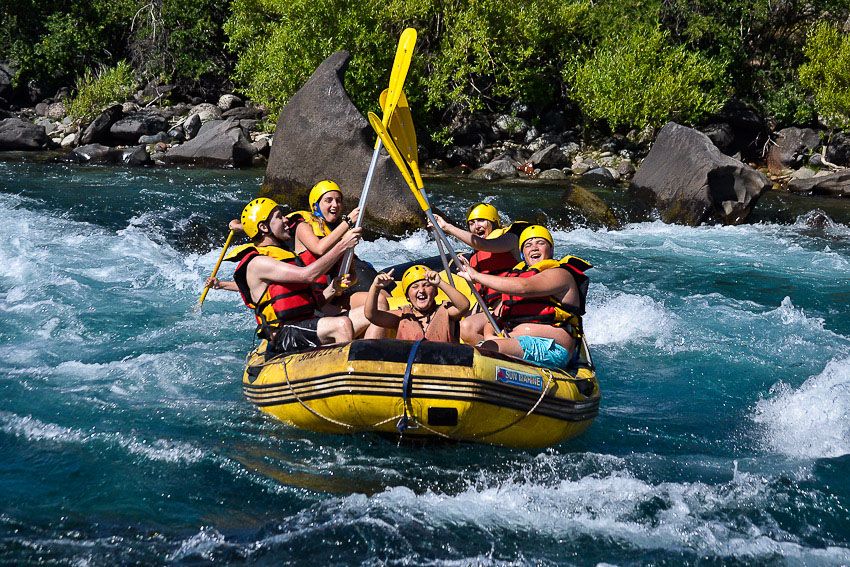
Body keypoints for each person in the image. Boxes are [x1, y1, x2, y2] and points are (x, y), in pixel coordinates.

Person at [230, 197, 365, 355]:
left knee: (369, 313)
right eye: (279, 217)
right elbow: (308, 275)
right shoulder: (258, 263)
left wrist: (333, 288)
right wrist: (342, 245)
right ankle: (344, 366)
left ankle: (370, 363)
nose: (285, 219)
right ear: (264, 227)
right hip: (284, 335)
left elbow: (314, 303)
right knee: (341, 324)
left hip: (306, 324)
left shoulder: (287, 255)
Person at [458, 225, 591, 370]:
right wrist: (489, 335)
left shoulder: (560, 274)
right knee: (475, 336)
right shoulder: (518, 277)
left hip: (552, 347)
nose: (534, 248)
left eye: (540, 243)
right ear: (523, 255)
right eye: (528, 245)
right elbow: (495, 317)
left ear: (551, 250)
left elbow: (525, 287)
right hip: (517, 343)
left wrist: (477, 276)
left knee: (487, 349)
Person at [431, 203, 525, 344]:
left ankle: (503, 349)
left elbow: (482, 244)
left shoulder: (509, 239)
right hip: (489, 306)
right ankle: (493, 351)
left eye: (481, 220)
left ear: (494, 222)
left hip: (511, 302)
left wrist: (447, 227)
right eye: (471, 223)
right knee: (463, 326)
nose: (476, 226)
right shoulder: (475, 257)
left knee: (472, 327)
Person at [364, 265, 471, 341]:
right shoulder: (402, 316)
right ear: (407, 297)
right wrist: (375, 287)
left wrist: (440, 283)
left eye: (426, 285)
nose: (421, 290)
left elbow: (464, 306)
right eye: (415, 287)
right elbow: (372, 315)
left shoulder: (447, 311)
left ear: (435, 292)